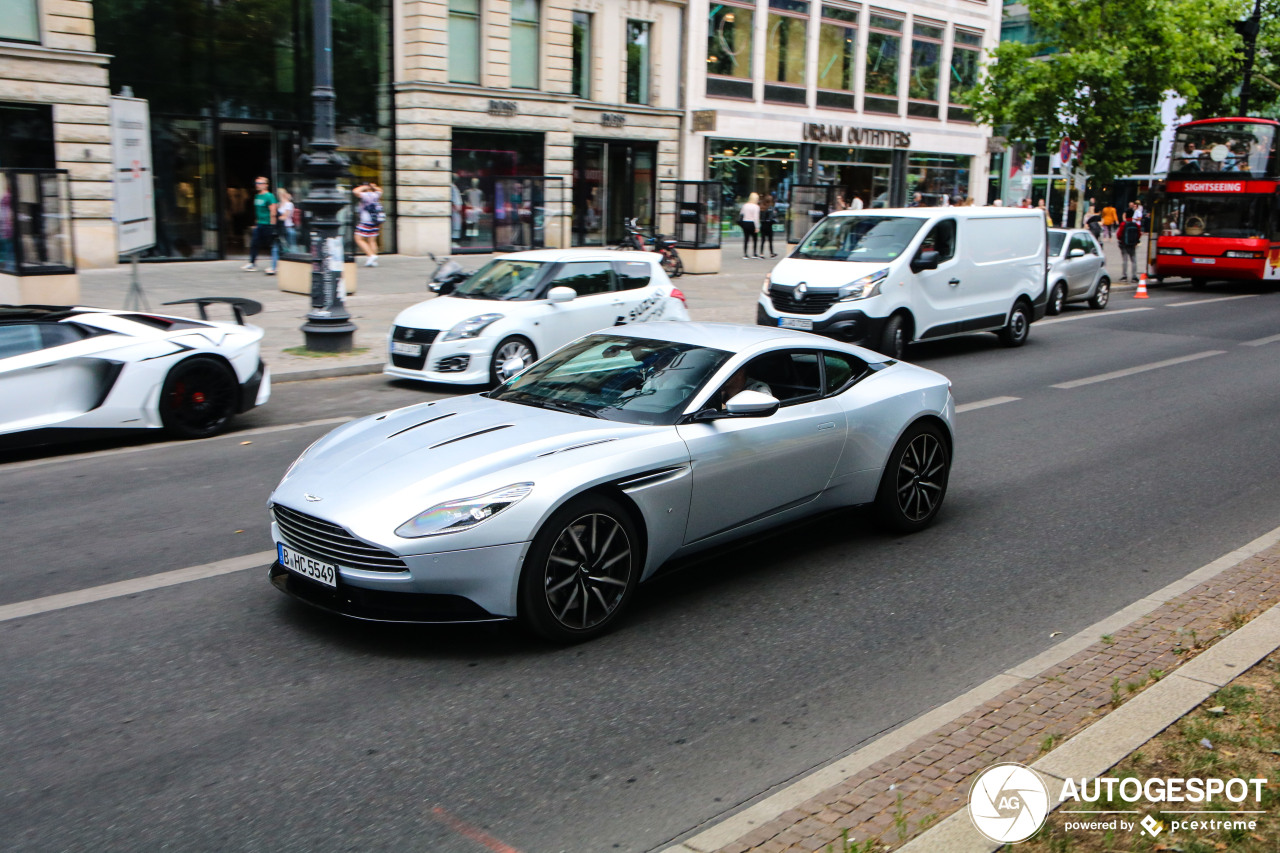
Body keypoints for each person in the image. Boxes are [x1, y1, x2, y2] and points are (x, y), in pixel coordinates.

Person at [242, 176, 277, 274]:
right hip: (260, 224)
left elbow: (273, 211)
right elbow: (257, 211)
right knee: (254, 243)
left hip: (267, 224)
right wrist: (256, 223)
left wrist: (273, 225)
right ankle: (252, 263)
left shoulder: (269, 196)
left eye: (260, 183)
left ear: (266, 185)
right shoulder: (257, 196)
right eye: (256, 183)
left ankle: (274, 265)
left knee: (271, 245)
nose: (257, 185)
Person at [354, 181, 383, 266]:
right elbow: (380, 190)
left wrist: (364, 187)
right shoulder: (376, 194)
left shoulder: (366, 195)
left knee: (358, 238)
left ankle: (371, 255)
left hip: (366, 221)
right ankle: (373, 260)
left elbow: (355, 191)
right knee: (372, 240)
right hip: (375, 221)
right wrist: (373, 187)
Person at [1117, 210, 1142, 282]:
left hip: (1124, 244)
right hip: (1132, 244)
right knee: (1133, 260)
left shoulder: (1123, 224)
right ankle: (1134, 276)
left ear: (1126, 215)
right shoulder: (1136, 225)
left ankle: (1124, 276)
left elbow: (1119, 235)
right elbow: (1139, 234)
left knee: (1125, 260)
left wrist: (1121, 239)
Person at [738, 192, 760, 259]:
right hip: (752, 223)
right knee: (755, 239)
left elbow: (741, 213)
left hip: (745, 222)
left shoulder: (745, 205)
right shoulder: (756, 207)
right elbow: (756, 217)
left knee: (746, 239)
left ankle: (745, 254)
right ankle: (754, 253)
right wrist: (757, 227)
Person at [276, 187, 297, 253]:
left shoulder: (289, 204)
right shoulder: (278, 204)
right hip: (280, 228)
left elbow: (285, 217)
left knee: (290, 248)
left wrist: (276, 218)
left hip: (287, 227)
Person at [759, 194, 778, 258]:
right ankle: (771, 253)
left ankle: (761, 253)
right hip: (769, 226)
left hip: (763, 225)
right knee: (770, 240)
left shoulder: (761, 208)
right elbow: (771, 218)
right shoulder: (770, 208)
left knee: (763, 240)